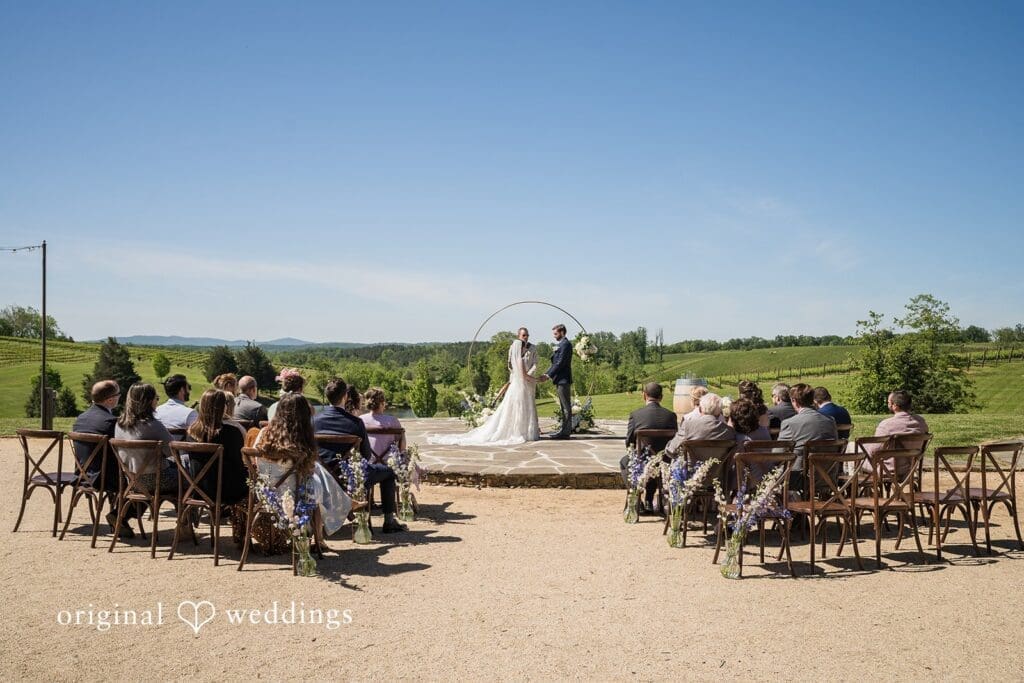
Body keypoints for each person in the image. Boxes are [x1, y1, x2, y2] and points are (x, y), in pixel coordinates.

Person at [314, 378, 408, 533]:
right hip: (351, 476)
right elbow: (366, 455)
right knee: (389, 472)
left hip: (322, 477)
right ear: (345, 397)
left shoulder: (313, 421)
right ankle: (389, 521)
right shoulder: (355, 423)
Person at [254, 392, 353, 536]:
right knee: (316, 476)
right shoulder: (299, 439)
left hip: (264, 493)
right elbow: (308, 470)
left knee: (317, 472)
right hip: (295, 495)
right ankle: (328, 527)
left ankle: (345, 504)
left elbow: (255, 462)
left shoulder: (264, 433)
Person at [430, 337, 540, 446]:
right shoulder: (519, 360)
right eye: (523, 347)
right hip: (519, 387)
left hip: (516, 387)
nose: (525, 349)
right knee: (518, 408)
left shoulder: (514, 360)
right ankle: (520, 432)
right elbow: (525, 376)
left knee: (513, 409)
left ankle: (518, 430)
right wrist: (538, 380)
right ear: (519, 348)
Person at [72, 380, 134, 537]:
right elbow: (124, 450)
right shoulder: (111, 422)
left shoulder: (81, 419)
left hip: (82, 475)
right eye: (118, 395)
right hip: (105, 478)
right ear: (110, 400)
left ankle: (119, 518)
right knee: (142, 480)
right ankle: (119, 517)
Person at [620, 382, 678, 513]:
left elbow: (629, 441)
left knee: (624, 462)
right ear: (661, 397)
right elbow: (675, 442)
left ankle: (635, 498)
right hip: (665, 462)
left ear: (644, 396)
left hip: (642, 460)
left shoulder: (636, 415)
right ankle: (649, 499)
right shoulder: (671, 416)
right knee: (655, 461)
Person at [114, 383, 179, 495]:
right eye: (156, 398)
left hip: (131, 479)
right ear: (149, 401)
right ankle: (188, 512)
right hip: (157, 480)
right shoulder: (153, 425)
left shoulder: (119, 424)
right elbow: (172, 451)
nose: (157, 402)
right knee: (189, 475)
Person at [185, 389, 248, 504]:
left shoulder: (192, 432)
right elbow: (238, 463)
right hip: (227, 491)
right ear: (223, 407)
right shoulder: (232, 432)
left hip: (197, 489)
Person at [778, 383, 837, 491]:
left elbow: (778, 454)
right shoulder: (830, 420)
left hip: (800, 478)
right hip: (828, 475)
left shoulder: (790, 423)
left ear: (794, 401)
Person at [862, 390, 929, 473]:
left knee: (852, 450)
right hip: (910, 471)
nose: (888, 404)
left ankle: (849, 483)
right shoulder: (921, 422)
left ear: (895, 406)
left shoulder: (886, 425)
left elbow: (874, 452)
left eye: (889, 402)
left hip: (886, 470)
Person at [666, 392, 736, 455]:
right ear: (719, 413)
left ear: (701, 409)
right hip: (720, 469)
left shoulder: (688, 426)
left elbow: (671, 450)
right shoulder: (728, 431)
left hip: (691, 469)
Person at [539, 323, 573, 439]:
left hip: (563, 379)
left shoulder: (565, 344)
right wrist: (546, 373)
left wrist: (548, 376)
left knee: (565, 407)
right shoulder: (562, 344)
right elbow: (555, 363)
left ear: (562, 332)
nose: (554, 336)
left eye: (555, 333)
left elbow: (560, 363)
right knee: (563, 407)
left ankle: (565, 432)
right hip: (560, 379)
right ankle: (564, 430)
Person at [361, 387, 406, 462]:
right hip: (390, 464)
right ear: (382, 403)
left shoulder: (361, 420)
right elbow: (402, 448)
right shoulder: (393, 420)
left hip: (367, 464)